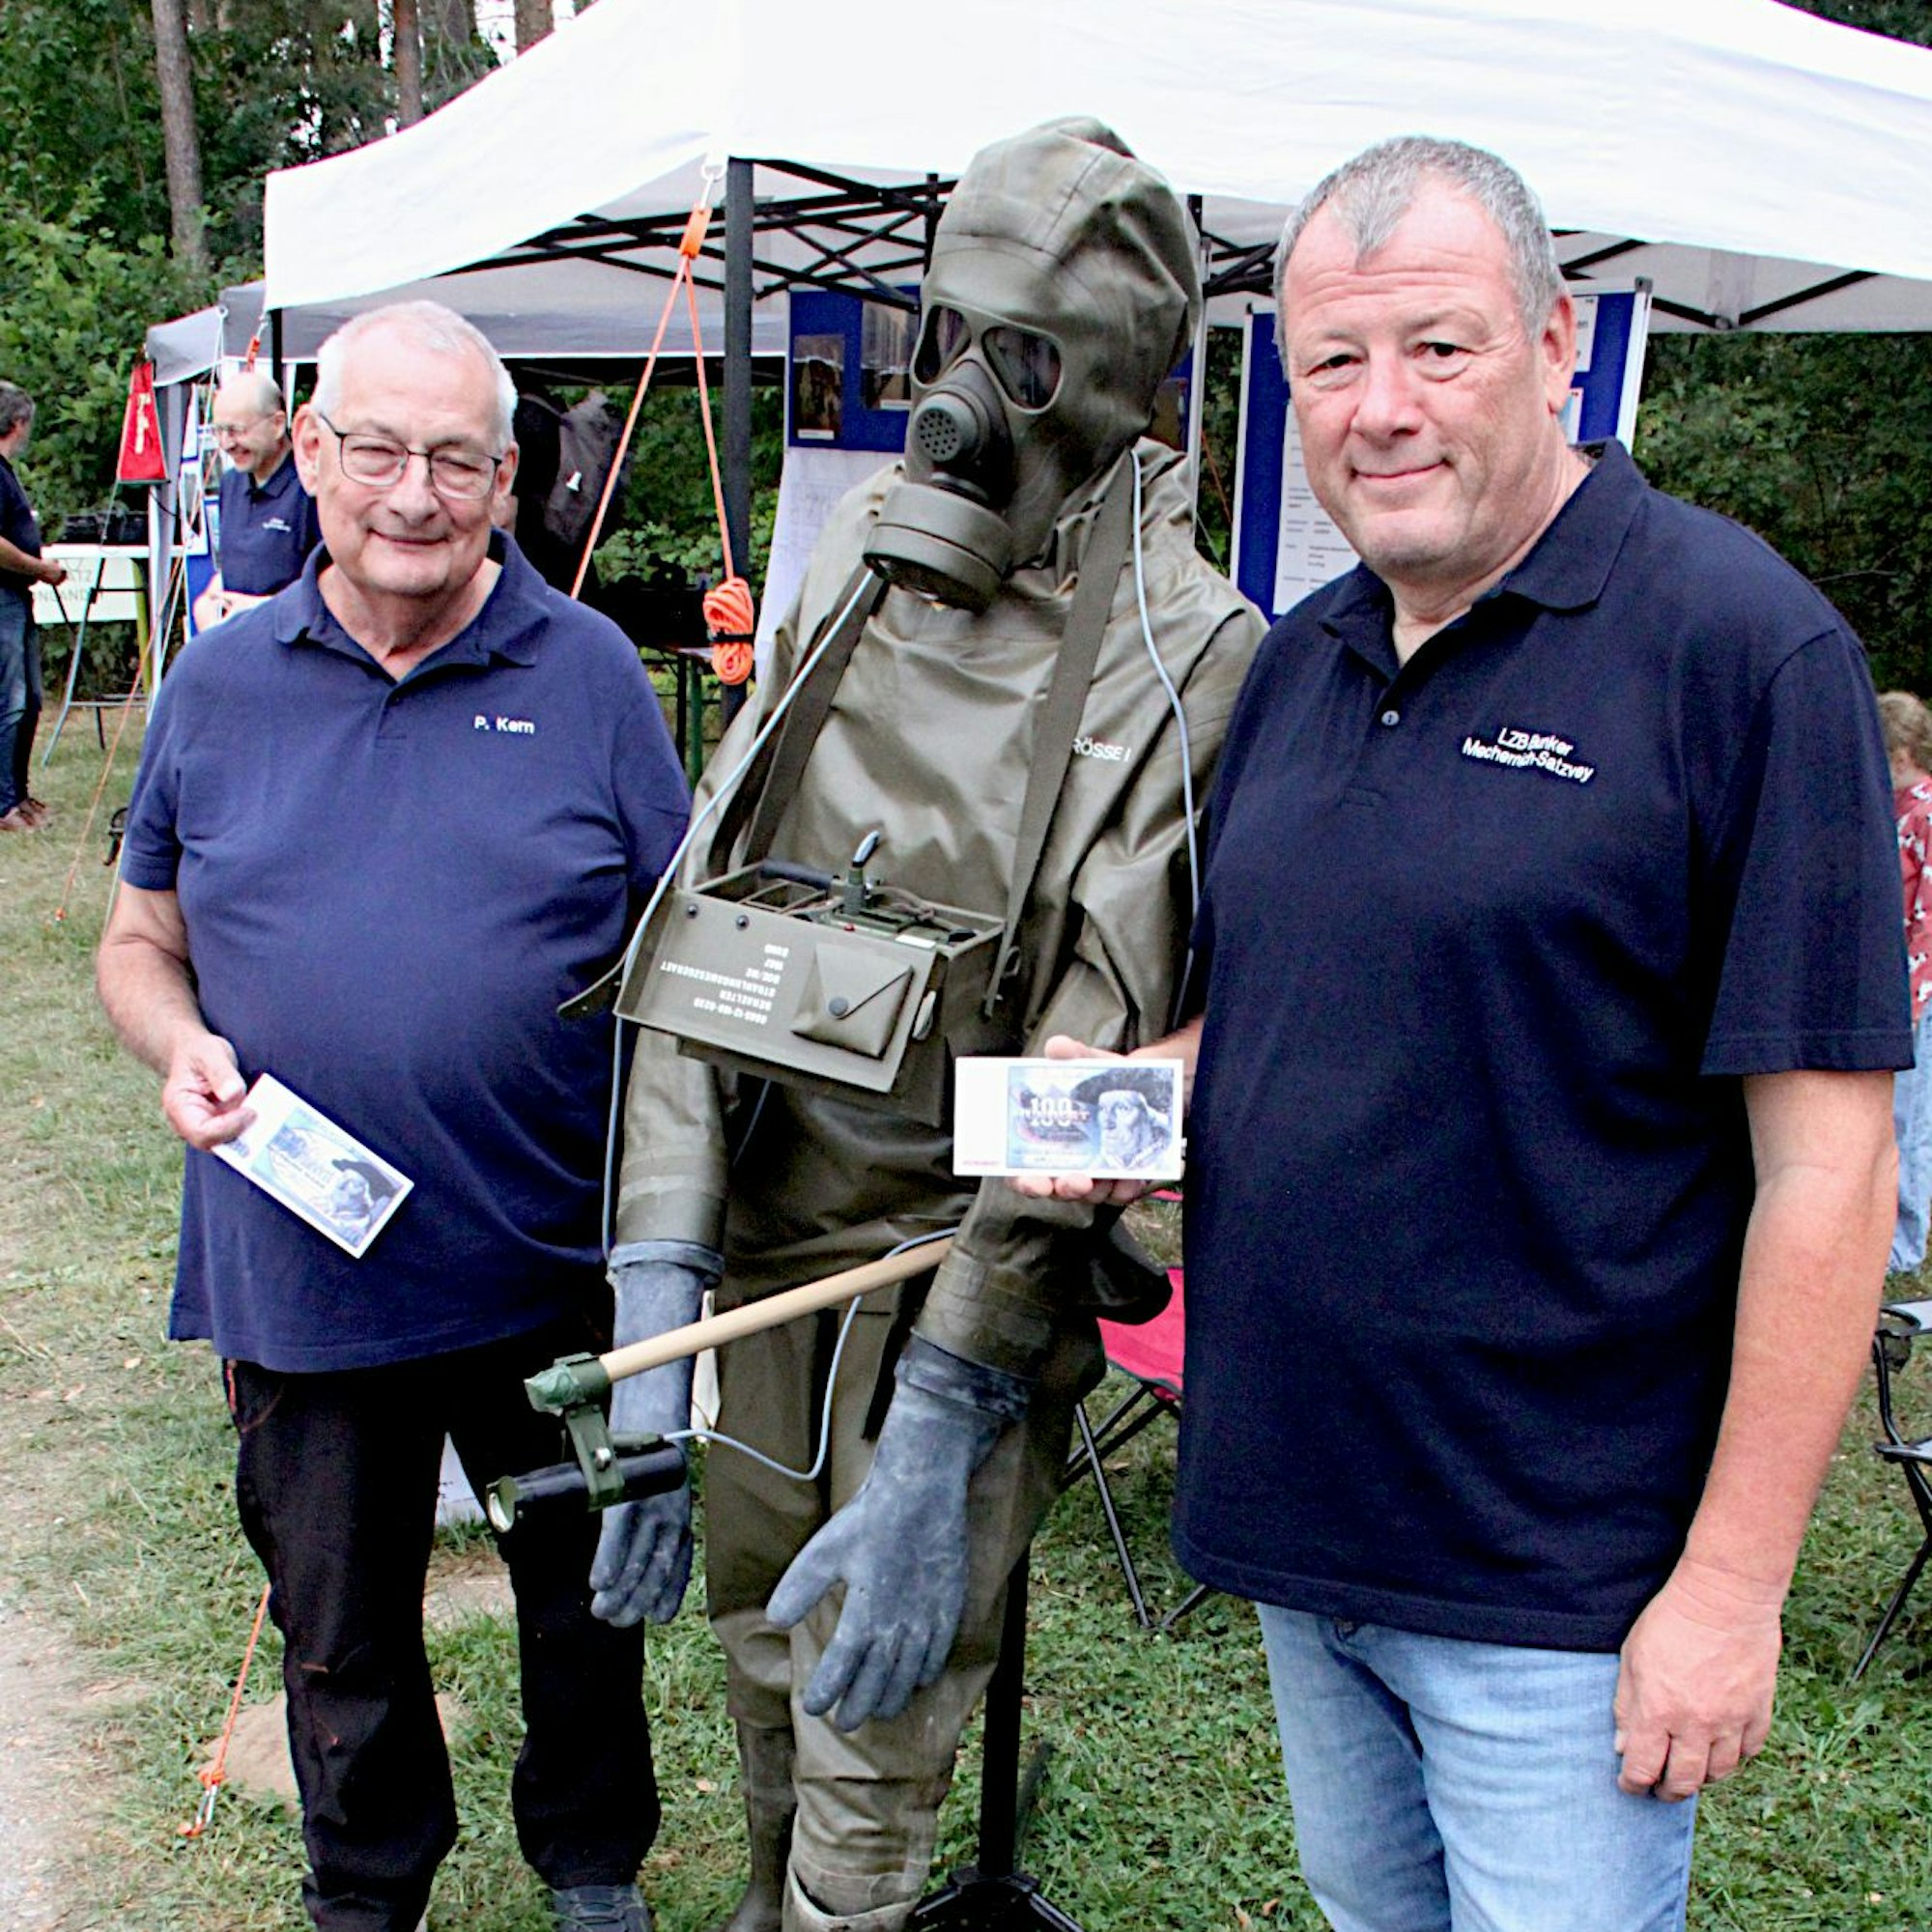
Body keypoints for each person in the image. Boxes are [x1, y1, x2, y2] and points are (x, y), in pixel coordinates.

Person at [1008, 134, 1907, 1930]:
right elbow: (1264, 1045)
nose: (1382, 408)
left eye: (1441, 347)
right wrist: (1083, 1120)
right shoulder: (1304, 663)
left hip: (1558, 1575)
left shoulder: (1740, 655)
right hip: (1303, 1524)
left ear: (1559, 344)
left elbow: (1833, 1167)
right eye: (1335, 362)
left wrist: (1731, 1589)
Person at [593, 118, 1261, 1932]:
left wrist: (953, 1413)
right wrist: (659, 1290)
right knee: (760, 1655)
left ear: (1116, 378)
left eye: (1022, 353)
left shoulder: (1189, 654)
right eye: (951, 329)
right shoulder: (856, 580)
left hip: (957, 1279)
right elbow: (698, 942)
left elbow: (1093, 1073)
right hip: (761, 1252)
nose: (967, 391)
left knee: (873, 1715)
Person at [97, 299, 690, 1932]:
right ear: (311, 455)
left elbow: (686, 950)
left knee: (579, 1598)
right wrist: (174, 1043)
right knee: (340, 1620)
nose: (411, 493)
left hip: (545, 1261)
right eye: (375, 451)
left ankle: (588, 1863)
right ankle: (366, 1888)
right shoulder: (219, 689)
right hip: (301, 1271)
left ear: (507, 479)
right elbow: (141, 938)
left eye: (454, 459)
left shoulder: (589, 680)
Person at [191, 368, 319, 630]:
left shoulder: (311, 490)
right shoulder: (231, 483)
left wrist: (261, 609)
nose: (226, 444)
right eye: (219, 431)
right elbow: (230, 568)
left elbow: (337, 589)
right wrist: (206, 603)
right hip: (237, 646)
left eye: (236, 431)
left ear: (277, 425)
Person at [1880, 690, 1932, 1274]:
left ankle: (1904, 1244)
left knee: (1910, 1120)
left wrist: (1916, 990)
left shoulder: (1926, 811)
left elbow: (1928, 914)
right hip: (1890, 988)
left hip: (1919, 989)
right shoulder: (1889, 811)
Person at [0, 381, 66, 832]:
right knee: (11, 699)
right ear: (17, 423)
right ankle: (3, 804)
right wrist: (38, 567)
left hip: (16, 596)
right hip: (3, 596)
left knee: (31, 700)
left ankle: (19, 795)